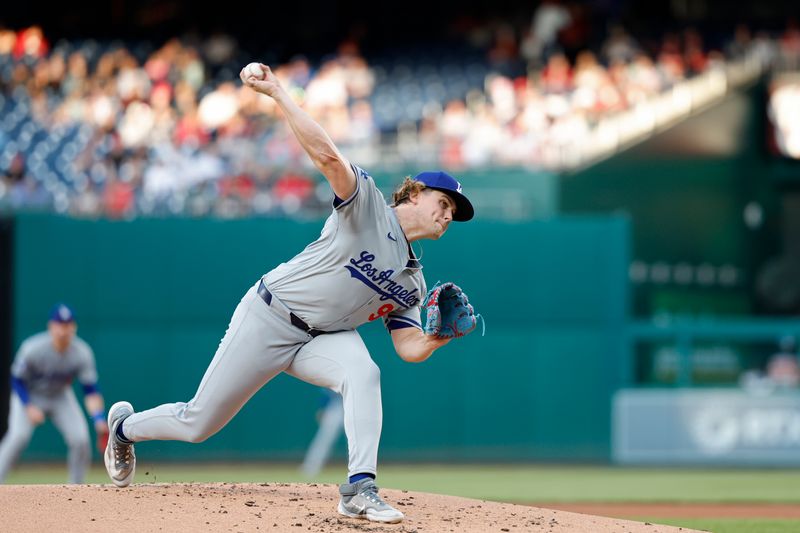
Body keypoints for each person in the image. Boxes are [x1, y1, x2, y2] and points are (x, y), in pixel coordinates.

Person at [104, 61, 475, 524]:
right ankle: (123, 428)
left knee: (365, 373)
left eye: (453, 215)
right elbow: (327, 157)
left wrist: (439, 337)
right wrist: (279, 92)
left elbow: (408, 348)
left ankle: (360, 488)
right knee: (199, 423)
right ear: (415, 193)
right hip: (271, 316)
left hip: (322, 339)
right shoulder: (367, 206)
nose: (447, 217)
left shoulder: (412, 283)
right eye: (444, 204)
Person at [0, 303, 109, 483]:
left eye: (68, 325)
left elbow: (90, 389)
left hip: (60, 396)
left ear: (74, 327)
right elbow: (17, 380)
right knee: (18, 436)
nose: (63, 330)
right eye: (59, 324)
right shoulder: (32, 348)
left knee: (80, 439)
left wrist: (98, 419)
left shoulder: (82, 352)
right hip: (29, 394)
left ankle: (76, 488)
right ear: (51, 326)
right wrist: (28, 406)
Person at [300, 388, 345, 478]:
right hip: (336, 405)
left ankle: (359, 470)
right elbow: (326, 389)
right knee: (324, 439)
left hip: (354, 404)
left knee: (357, 440)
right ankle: (311, 467)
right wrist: (323, 406)